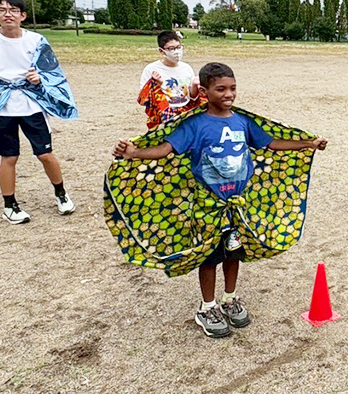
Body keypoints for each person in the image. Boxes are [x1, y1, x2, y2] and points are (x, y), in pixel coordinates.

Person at [111, 62, 328, 339]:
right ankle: (207, 307)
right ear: (204, 91)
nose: (229, 94)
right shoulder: (194, 124)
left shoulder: (242, 121)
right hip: (207, 206)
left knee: (233, 252)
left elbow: (272, 143)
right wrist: (133, 153)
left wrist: (308, 144)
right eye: (221, 89)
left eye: (233, 88)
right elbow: (165, 149)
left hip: (237, 206)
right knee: (209, 256)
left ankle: (230, 298)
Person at [0, 0, 78, 225]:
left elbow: (51, 70)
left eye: (13, 10)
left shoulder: (36, 40)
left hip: (31, 103)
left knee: (45, 153)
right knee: (8, 157)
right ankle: (10, 205)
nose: (8, 14)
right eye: (1, 10)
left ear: (23, 15)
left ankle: (61, 194)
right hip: (1, 105)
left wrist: (38, 78)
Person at [137, 30, 200, 129]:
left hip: (185, 114)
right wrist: (156, 84)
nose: (176, 52)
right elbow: (143, 99)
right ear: (162, 51)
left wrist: (196, 85)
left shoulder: (186, 68)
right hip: (163, 117)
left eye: (178, 47)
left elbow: (192, 96)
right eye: (171, 49)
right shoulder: (152, 70)